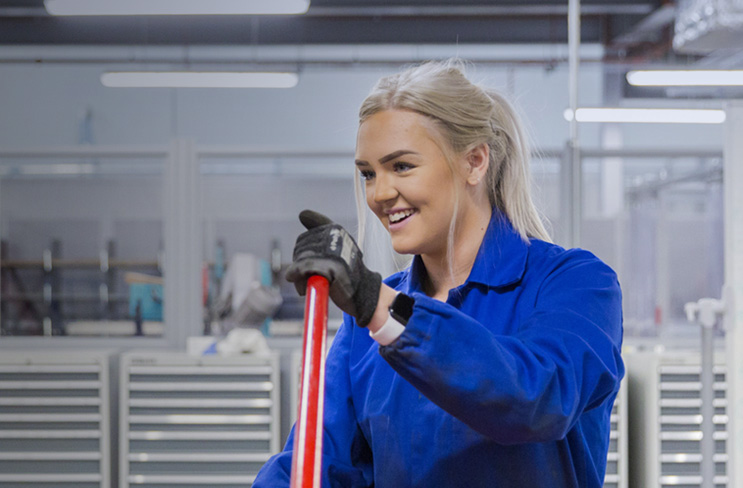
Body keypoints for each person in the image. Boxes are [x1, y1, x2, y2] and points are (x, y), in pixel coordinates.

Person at [253, 60, 624, 487]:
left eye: (402, 166)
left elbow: (537, 399)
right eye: (368, 174)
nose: (380, 193)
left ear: (474, 162)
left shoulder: (575, 283)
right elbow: (316, 464)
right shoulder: (363, 331)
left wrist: (378, 306)